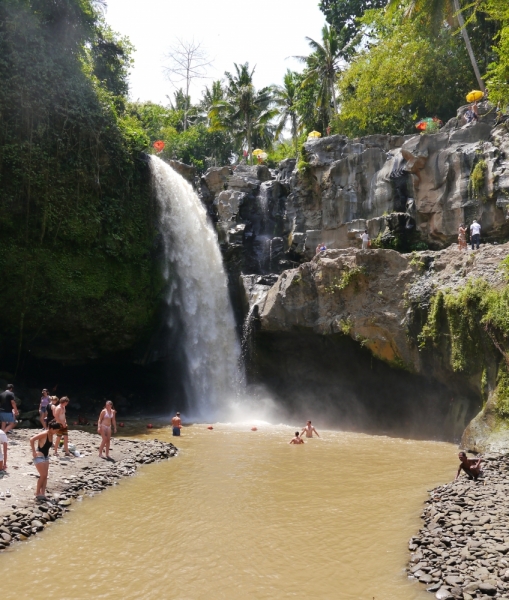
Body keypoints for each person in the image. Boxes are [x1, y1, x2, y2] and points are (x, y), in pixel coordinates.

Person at [30, 420, 61, 500]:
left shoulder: (51, 434)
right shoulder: (45, 433)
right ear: (51, 428)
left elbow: (48, 444)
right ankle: (37, 493)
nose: (56, 432)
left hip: (46, 456)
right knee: (43, 475)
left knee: (45, 476)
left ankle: (43, 493)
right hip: (39, 456)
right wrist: (33, 451)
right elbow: (32, 439)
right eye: (56, 430)